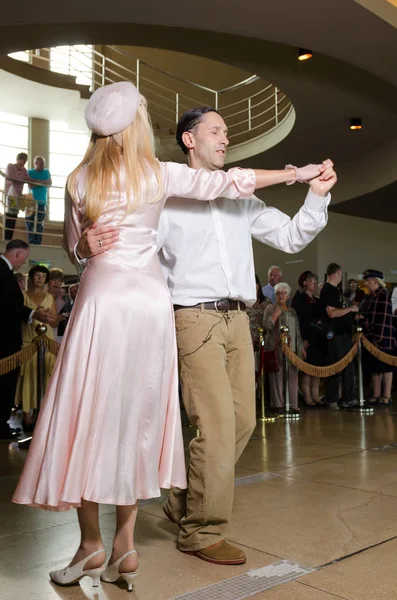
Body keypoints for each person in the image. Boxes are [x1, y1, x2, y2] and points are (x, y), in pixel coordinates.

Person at [12, 82, 308, 587]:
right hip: (149, 303)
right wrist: (293, 174)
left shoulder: (78, 179)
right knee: (136, 417)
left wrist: (85, 246)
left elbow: (75, 252)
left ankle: (90, 544)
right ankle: (125, 548)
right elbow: (231, 183)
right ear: (136, 124)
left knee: (90, 415)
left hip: (103, 302)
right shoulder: (158, 174)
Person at [76, 104, 337, 566]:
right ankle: (201, 531)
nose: (225, 138)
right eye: (215, 130)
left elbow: (293, 237)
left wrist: (316, 195)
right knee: (215, 427)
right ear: (189, 139)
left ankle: (182, 501)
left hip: (241, 320)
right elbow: (133, 254)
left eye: (227, 132)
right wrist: (88, 253)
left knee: (243, 423)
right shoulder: (163, 192)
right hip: (192, 318)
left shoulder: (242, 199)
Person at [0, 240, 54, 441]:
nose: (24, 262)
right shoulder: (3, 272)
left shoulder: (4, 272)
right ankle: (1, 424)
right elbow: (7, 303)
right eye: (24, 257)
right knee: (5, 382)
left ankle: (2, 423)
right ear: (18, 253)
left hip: (9, 337)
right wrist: (33, 314)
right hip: (5, 338)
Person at [15, 265, 58, 432]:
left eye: (43, 276)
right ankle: (26, 416)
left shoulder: (49, 298)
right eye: (37, 275)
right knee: (27, 379)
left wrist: (51, 318)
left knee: (45, 378)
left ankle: (42, 416)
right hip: (28, 342)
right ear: (31, 277)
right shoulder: (23, 296)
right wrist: (33, 315)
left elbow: (53, 322)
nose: (40, 279)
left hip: (47, 343)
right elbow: (18, 317)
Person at [319, 263, 359, 410]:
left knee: (347, 366)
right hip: (336, 335)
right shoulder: (329, 290)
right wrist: (350, 309)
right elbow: (332, 312)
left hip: (343, 334)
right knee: (336, 366)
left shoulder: (335, 290)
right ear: (338, 273)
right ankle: (332, 398)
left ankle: (348, 397)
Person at [263, 282, 305, 413]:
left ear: (288, 295)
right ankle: (279, 405)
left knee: (293, 376)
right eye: (278, 293)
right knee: (277, 376)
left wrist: (301, 347)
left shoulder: (292, 311)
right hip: (276, 348)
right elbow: (266, 326)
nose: (281, 295)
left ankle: (293, 405)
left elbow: (297, 331)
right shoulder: (270, 308)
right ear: (275, 295)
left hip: (292, 349)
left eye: (284, 293)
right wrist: (275, 315)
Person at [360, 270, 396, 405]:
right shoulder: (369, 297)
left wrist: (377, 339)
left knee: (386, 367)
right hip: (370, 337)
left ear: (375, 281)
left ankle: (386, 395)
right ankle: (376, 394)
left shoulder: (383, 295)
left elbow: (384, 319)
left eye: (367, 280)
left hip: (383, 338)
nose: (365, 283)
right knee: (374, 368)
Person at [292, 271, 323, 406]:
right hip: (305, 337)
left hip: (317, 338)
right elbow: (298, 320)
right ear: (305, 282)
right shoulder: (299, 298)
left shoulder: (316, 300)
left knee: (316, 369)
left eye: (316, 281)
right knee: (307, 370)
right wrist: (302, 339)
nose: (315, 284)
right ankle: (307, 397)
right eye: (312, 281)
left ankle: (315, 396)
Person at [4, 152, 29, 240]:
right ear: (18, 159)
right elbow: (10, 177)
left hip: (18, 195)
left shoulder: (24, 170)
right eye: (22, 160)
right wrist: (20, 179)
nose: (23, 163)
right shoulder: (10, 166)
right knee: (9, 215)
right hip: (10, 194)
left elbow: (27, 179)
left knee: (14, 216)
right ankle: (6, 236)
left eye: (25, 161)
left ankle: (9, 237)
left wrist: (19, 179)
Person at [27, 156, 52, 245]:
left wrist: (35, 182)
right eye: (40, 164)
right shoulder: (30, 172)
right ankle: (31, 240)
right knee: (29, 221)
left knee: (39, 222)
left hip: (42, 202)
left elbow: (49, 183)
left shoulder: (46, 171)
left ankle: (38, 241)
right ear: (36, 164)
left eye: (43, 164)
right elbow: (30, 185)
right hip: (30, 201)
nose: (42, 166)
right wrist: (42, 182)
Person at [247, 275, 271, 351]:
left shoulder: (267, 302)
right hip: (247, 343)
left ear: (258, 286)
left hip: (264, 343)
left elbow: (269, 324)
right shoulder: (242, 304)